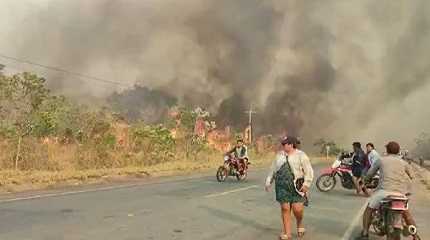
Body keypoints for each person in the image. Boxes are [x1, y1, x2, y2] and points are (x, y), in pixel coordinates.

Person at [356, 141, 416, 240]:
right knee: (406, 214)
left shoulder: (381, 160)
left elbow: (370, 174)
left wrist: (365, 181)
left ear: (387, 150)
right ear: (398, 151)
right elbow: (412, 176)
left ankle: (365, 233)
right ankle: (415, 236)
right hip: (400, 194)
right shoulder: (403, 162)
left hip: (383, 192)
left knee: (369, 209)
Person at [265, 136, 314, 240]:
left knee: (297, 210)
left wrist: (306, 184)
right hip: (281, 186)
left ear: (291, 144)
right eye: (282, 144)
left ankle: (300, 224)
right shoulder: (279, 155)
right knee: (285, 208)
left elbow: (308, 170)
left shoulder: (301, 155)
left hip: (297, 186)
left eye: (284, 144)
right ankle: (287, 233)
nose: (282, 146)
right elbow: (273, 169)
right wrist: (268, 181)